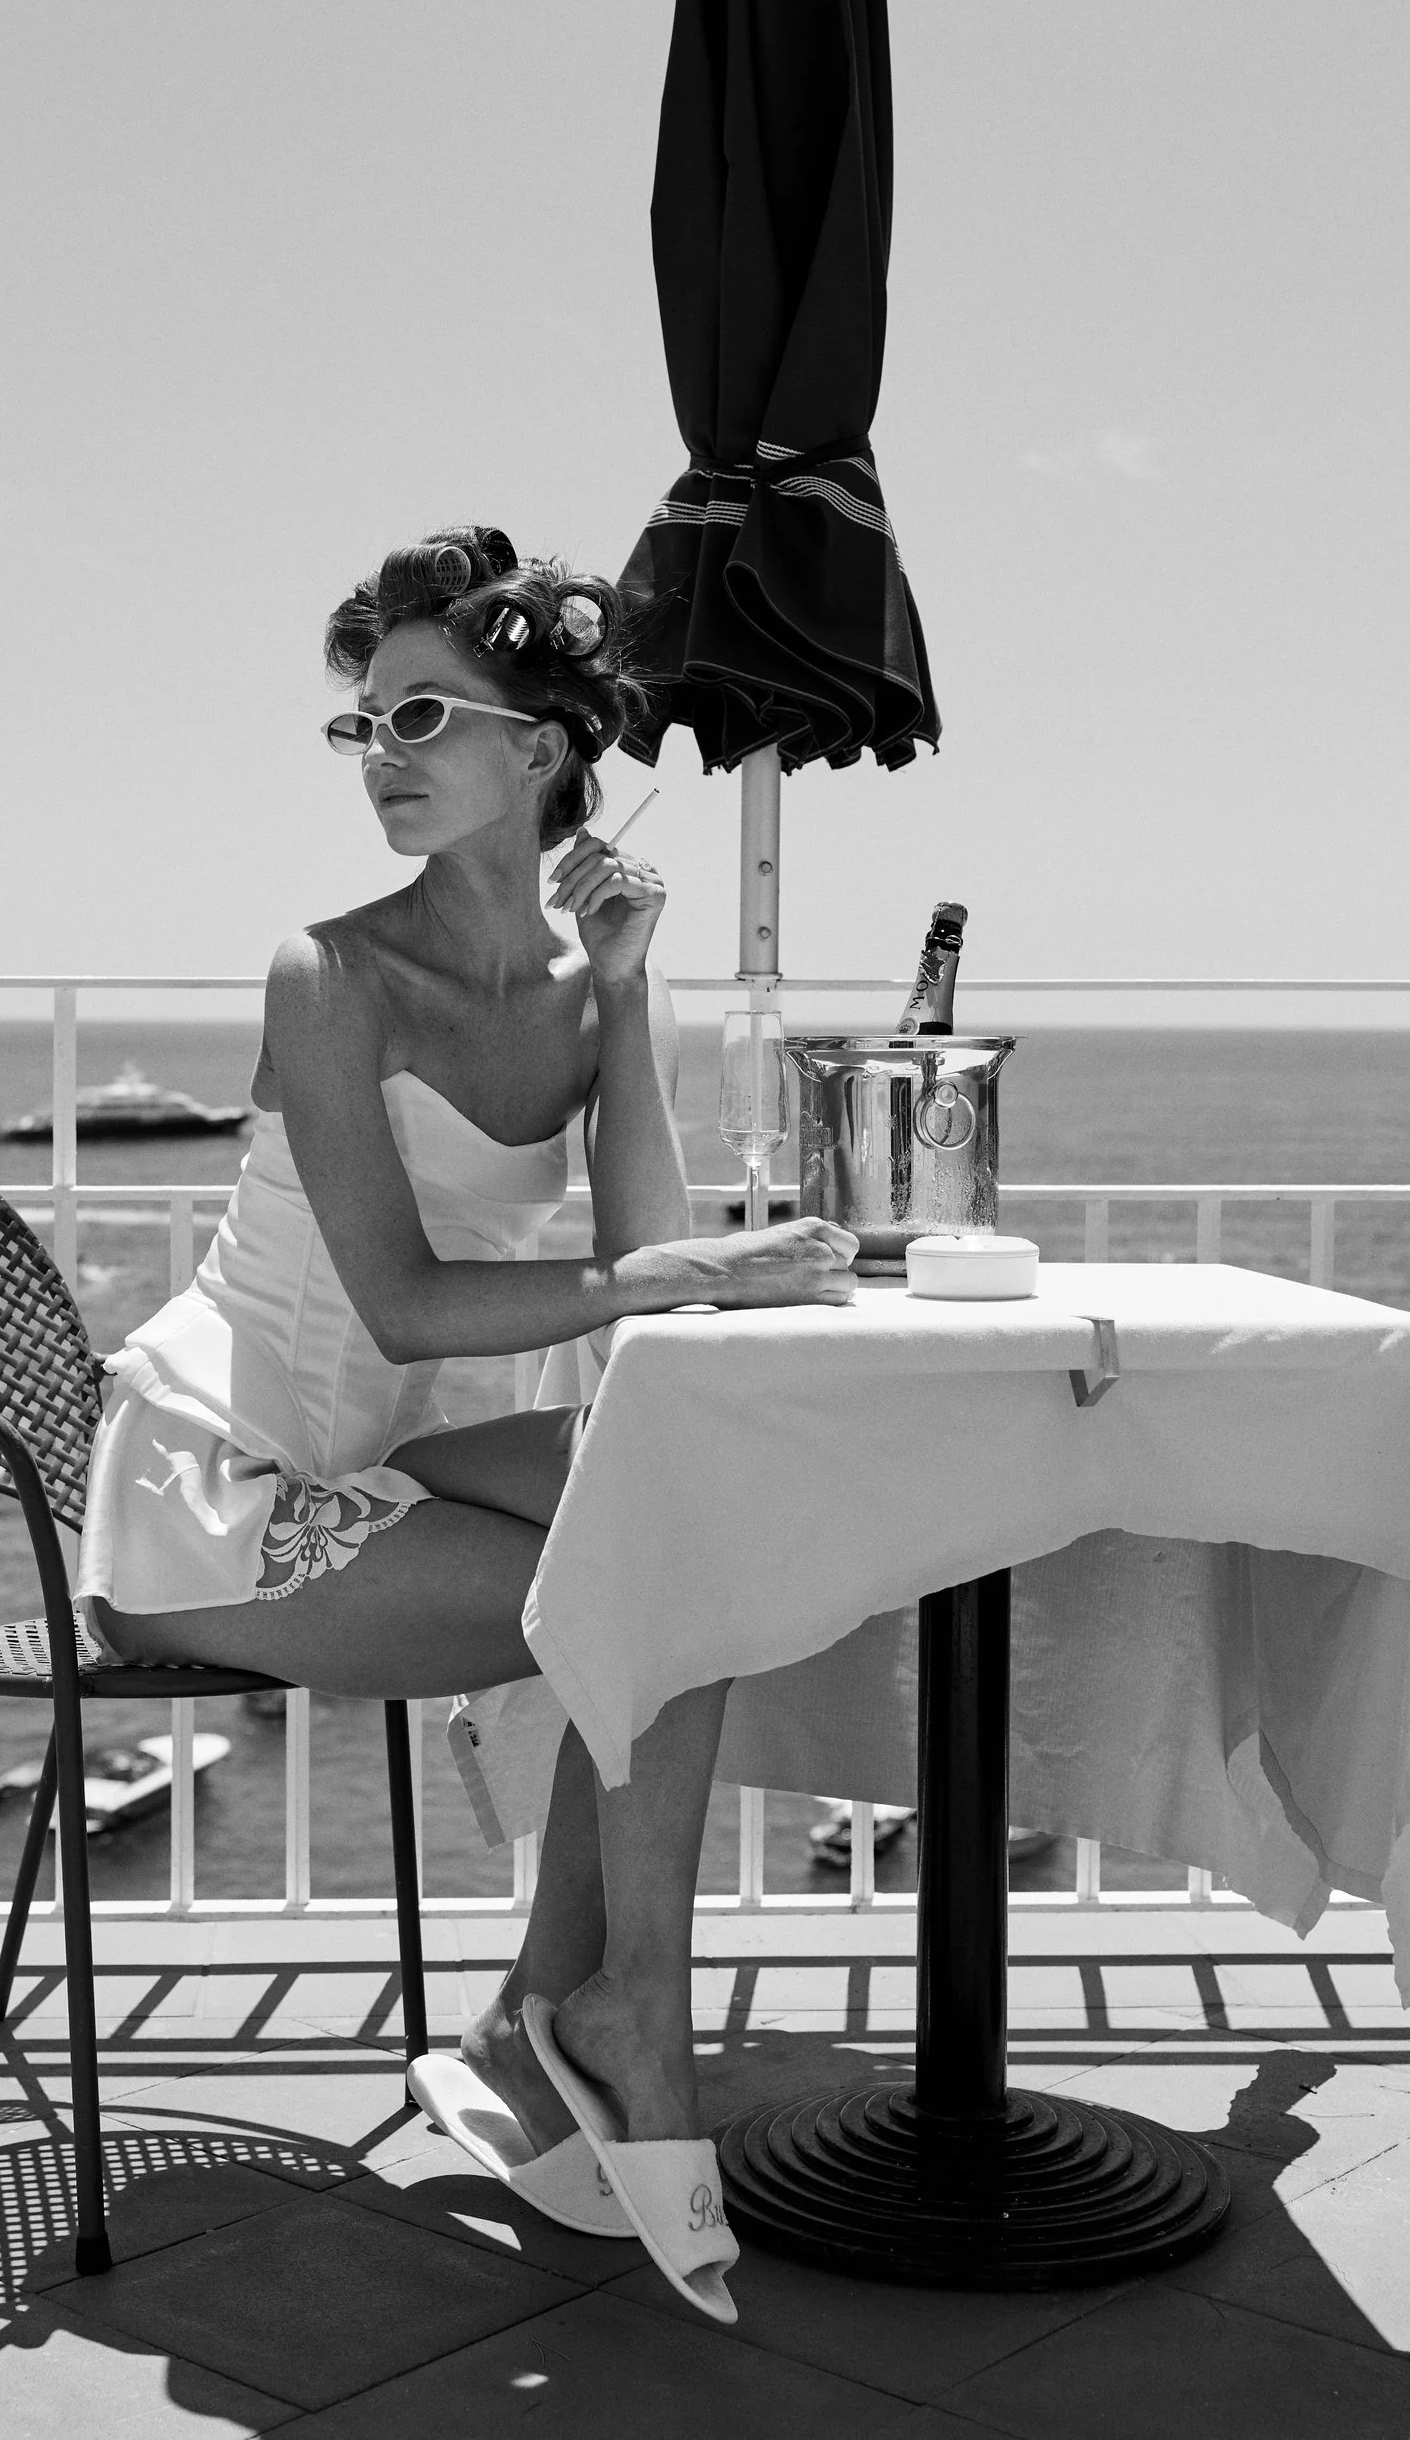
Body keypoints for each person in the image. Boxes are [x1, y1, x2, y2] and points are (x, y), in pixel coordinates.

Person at [74, 526, 854, 2314]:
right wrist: (680, 1288)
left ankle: (565, 2017)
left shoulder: (583, 989)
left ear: (543, 743)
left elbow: (643, 1252)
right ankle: (604, 2021)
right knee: (652, 1587)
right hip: (229, 1478)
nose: (385, 752)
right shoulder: (325, 975)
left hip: (393, 1459)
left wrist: (638, 991)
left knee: (698, 1528)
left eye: (424, 711)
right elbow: (410, 1303)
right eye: (364, 724)